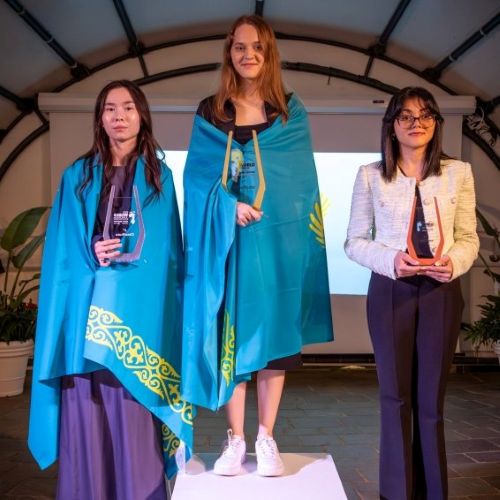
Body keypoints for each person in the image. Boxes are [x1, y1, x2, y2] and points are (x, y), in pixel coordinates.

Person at [181, 15, 333, 477]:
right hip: (228, 246)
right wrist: (227, 208)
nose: (248, 55)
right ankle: (235, 438)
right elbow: (197, 179)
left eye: (257, 47)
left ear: (269, 54)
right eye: (240, 47)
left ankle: (266, 436)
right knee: (233, 338)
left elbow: (300, 183)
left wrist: (271, 215)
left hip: (275, 244)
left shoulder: (288, 110)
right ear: (229, 53)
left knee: (274, 340)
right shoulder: (211, 111)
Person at [28, 80, 193, 499]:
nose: (119, 116)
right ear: (100, 119)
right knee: (87, 421)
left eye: (128, 108)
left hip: (134, 322)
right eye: (110, 109)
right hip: (85, 321)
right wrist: (91, 251)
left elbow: (166, 252)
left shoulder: (158, 177)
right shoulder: (77, 176)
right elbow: (63, 248)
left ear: (142, 116)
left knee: (132, 421)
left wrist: (130, 265)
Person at [345, 86, 479, 499]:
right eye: (405, 116)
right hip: (390, 291)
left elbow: (468, 237)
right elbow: (353, 241)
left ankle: (434, 491)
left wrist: (453, 262)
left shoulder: (458, 172)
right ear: (392, 125)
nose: (415, 123)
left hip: (442, 291)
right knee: (394, 397)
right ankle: (397, 492)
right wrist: (390, 260)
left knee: (431, 401)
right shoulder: (371, 175)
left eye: (424, 115)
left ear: (436, 122)